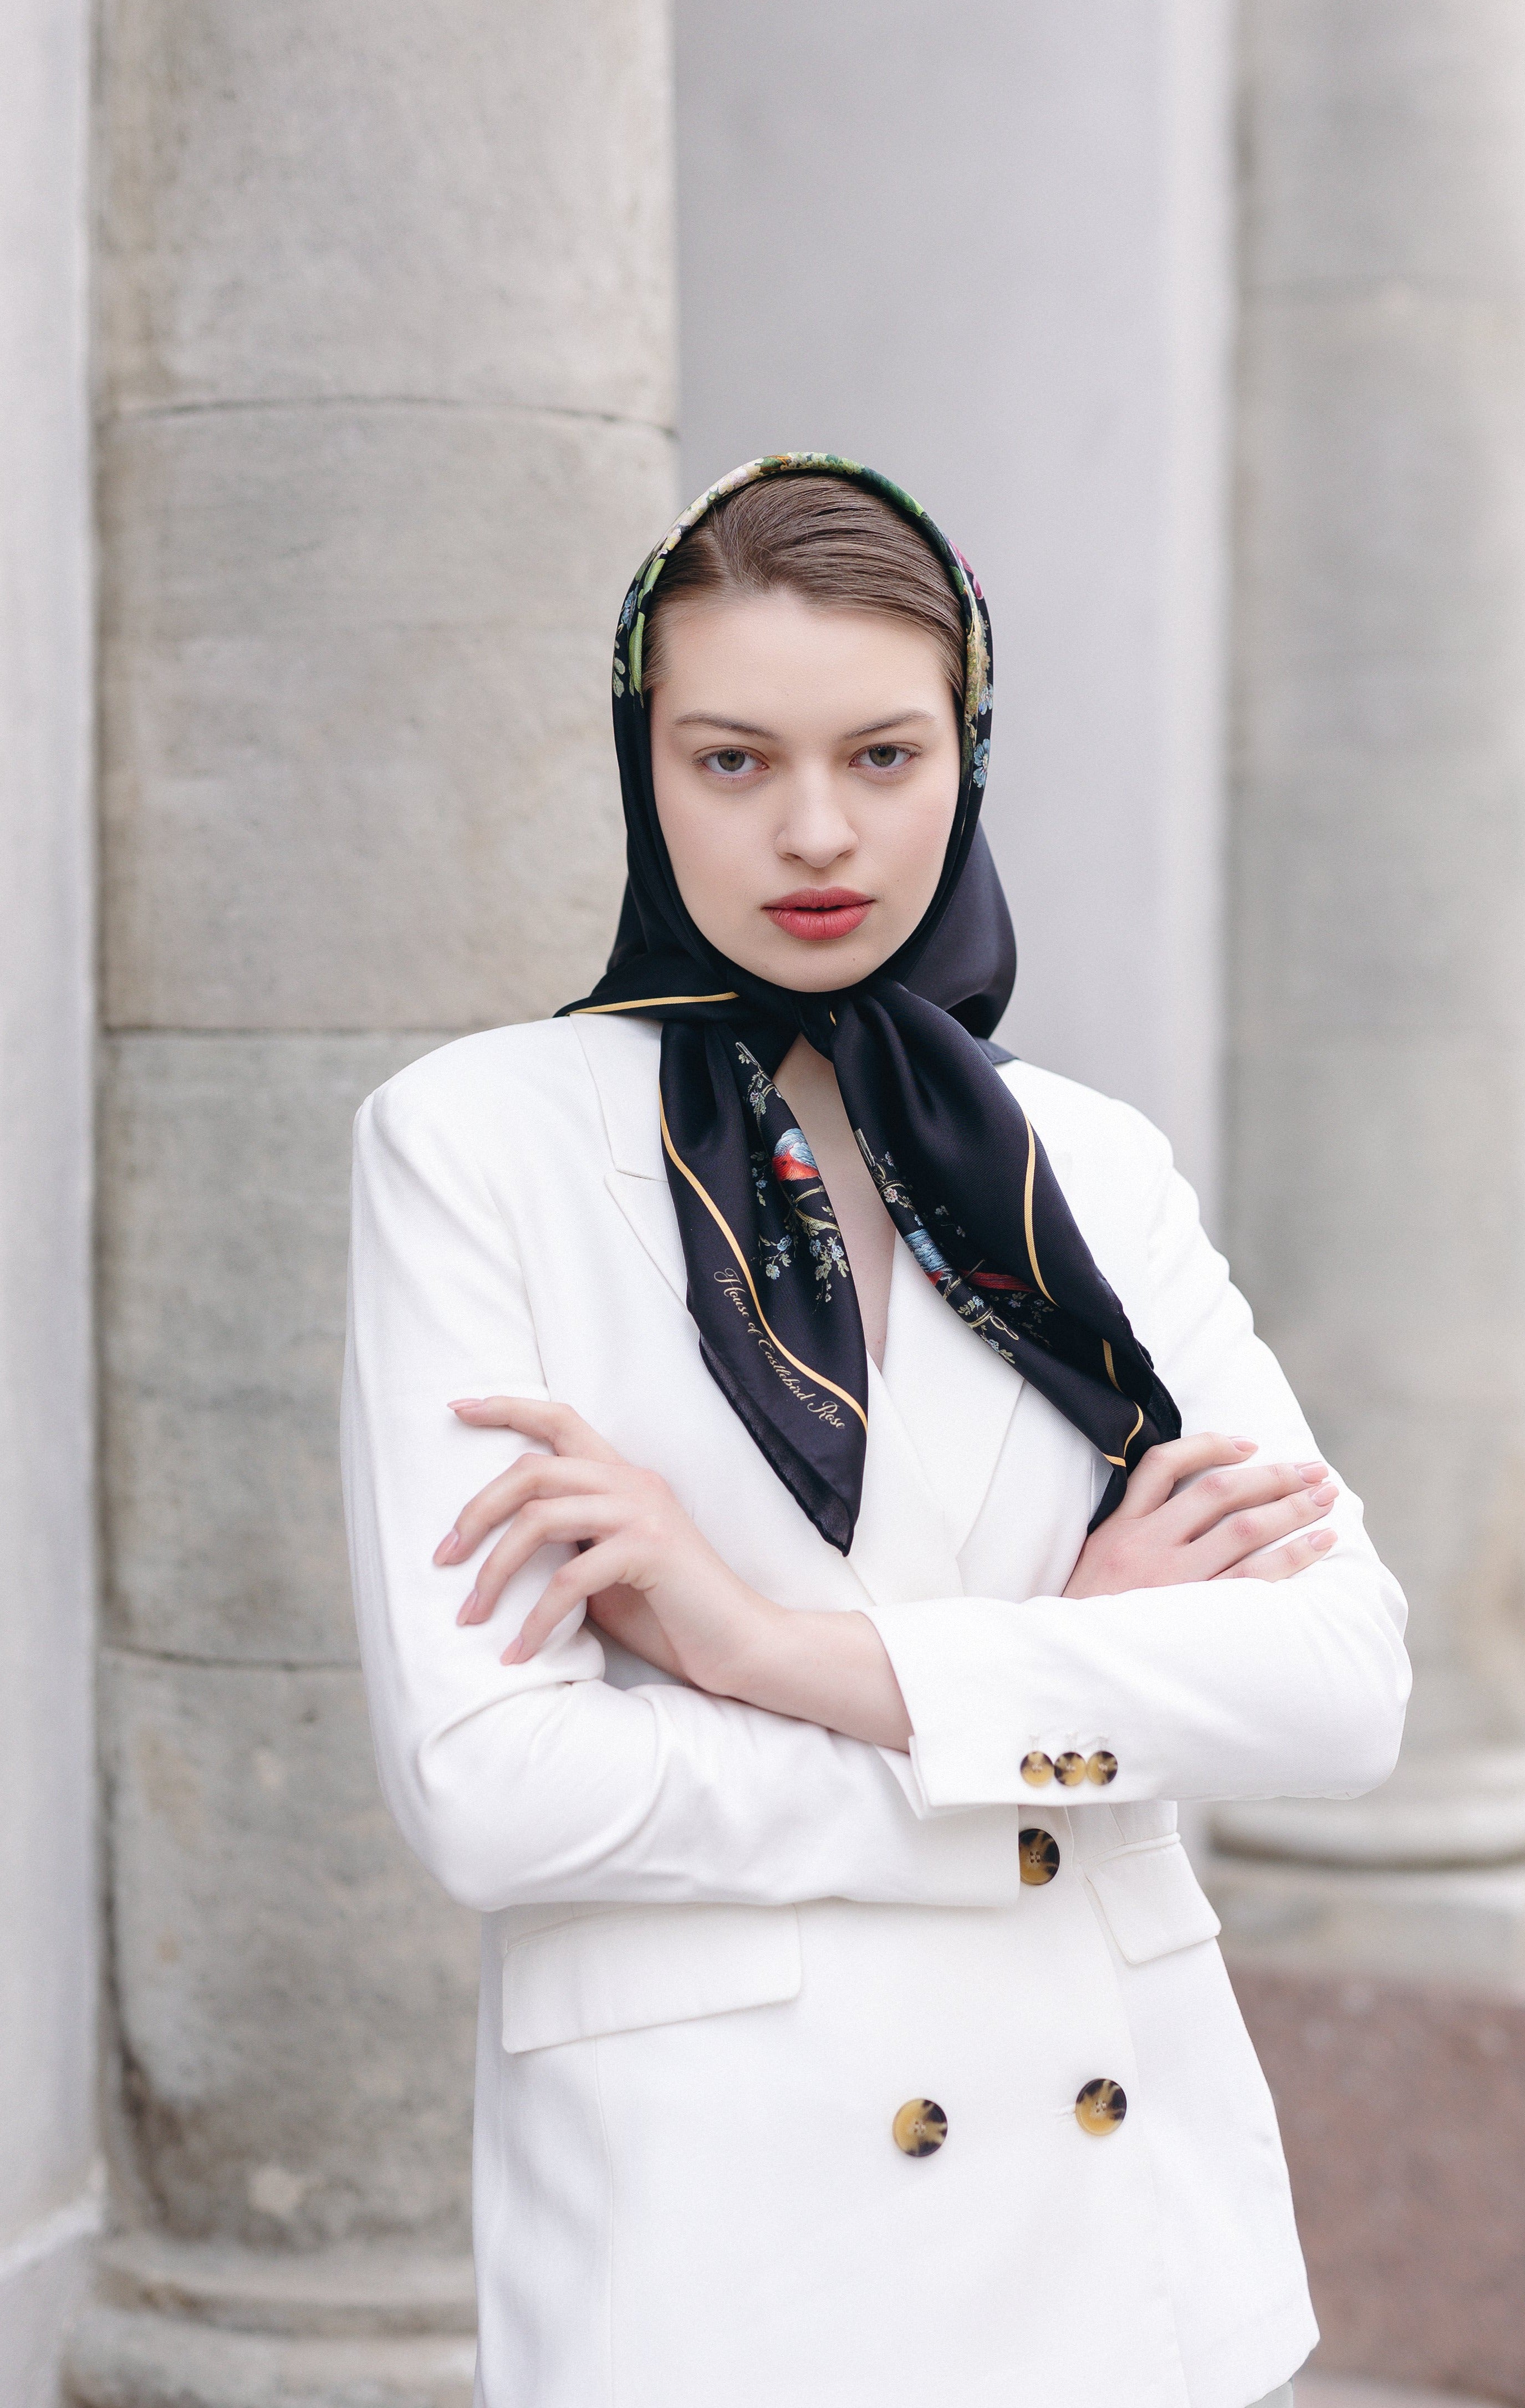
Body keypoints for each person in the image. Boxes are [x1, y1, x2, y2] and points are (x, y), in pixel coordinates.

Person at [342, 454, 1409, 2408]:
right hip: (730, 2244)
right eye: (733, 760)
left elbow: (1343, 1688)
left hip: (1136, 2257)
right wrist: (1061, 1713)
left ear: (967, 754)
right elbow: (497, 1794)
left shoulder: (1083, 1161)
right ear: (642, 768)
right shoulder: (474, 1144)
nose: (815, 831)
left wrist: (762, 1659)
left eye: (886, 756)